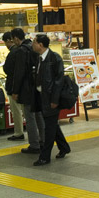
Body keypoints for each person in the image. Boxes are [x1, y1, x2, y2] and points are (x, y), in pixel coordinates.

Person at [31, 34, 71, 166]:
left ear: (40, 45)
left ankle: (45, 157)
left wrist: (55, 100)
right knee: (52, 125)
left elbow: (58, 81)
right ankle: (64, 147)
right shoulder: (39, 58)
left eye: (34, 42)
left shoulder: (54, 58)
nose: (33, 44)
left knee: (49, 128)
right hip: (41, 97)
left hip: (51, 99)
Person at [11, 28, 45, 154]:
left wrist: (15, 91)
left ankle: (34, 145)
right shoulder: (34, 48)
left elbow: (19, 72)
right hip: (37, 87)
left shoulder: (21, 51)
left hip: (26, 88)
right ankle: (43, 140)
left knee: (30, 117)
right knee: (39, 115)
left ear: (15, 38)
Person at [2, 31, 24, 141]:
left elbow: (7, 69)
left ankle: (18, 132)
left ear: (9, 40)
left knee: (16, 111)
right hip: (24, 87)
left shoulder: (13, 52)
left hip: (14, 87)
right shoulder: (22, 50)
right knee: (25, 111)